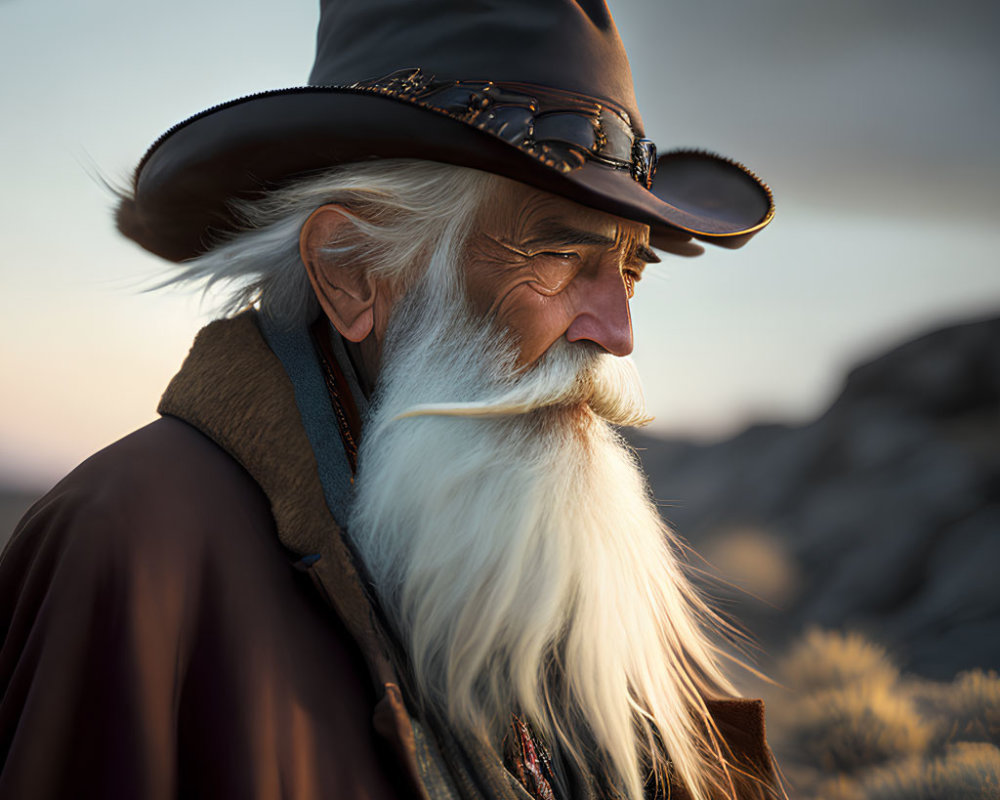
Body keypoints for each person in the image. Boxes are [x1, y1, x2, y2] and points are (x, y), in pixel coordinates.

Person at [0, 1, 778, 798]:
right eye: (556, 251)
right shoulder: (130, 549)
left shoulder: (560, 551)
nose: (618, 334)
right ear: (349, 270)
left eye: (631, 272)